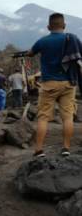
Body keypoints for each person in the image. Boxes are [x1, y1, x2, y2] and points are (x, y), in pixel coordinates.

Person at [28, 13, 82, 158]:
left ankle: (39, 150)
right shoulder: (73, 39)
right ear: (64, 26)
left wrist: (28, 53)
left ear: (48, 27)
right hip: (68, 83)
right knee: (68, 117)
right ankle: (66, 148)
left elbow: (31, 53)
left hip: (48, 84)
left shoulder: (42, 41)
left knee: (43, 117)